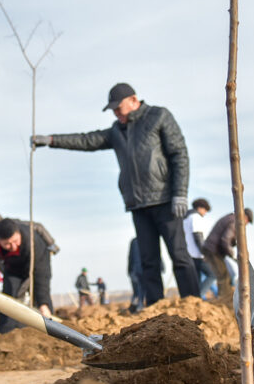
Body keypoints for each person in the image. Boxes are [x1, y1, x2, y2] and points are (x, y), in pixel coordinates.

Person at [32, 83, 200, 303]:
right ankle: (156, 308)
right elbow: (86, 140)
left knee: (179, 255)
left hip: (165, 199)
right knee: (148, 261)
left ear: (133, 100)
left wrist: (180, 193)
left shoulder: (158, 116)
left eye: (118, 108)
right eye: (113, 110)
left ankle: (193, 303)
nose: (116, 113)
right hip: (138, 204)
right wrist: (51, 140)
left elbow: (179, 154)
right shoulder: (116, 131)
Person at [0, 218, 55, 336]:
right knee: (9, 296)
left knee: (42, 302)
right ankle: (4, 334)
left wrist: (43, 304)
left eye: (15, 241)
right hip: (12, 268)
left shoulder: (32, 241)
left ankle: (50, 331)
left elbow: (41, 275)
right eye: (7, 244)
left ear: (18, 233)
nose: (13, 246)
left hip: (38, 262)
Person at [201, 209, 254, 298]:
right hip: (213, 250)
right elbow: (225, 240)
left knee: (226, 274)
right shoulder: (234, 221)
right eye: (247, 222)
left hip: (213, 250)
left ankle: (226, 297)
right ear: (245, 217)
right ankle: (224, 299)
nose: (246, 224)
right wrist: (233, 255)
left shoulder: (231, 218)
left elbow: (228, 239)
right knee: (223, 275)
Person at [183, 198, 216, 299]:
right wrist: (205, 253)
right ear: (200, 208)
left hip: (188, 254)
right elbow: (198, 237)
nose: (205, 213)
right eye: (205, 210)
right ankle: (199, 296)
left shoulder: (185, 219)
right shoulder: (196, 217)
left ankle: (195, 298)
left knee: (196, 279)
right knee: (212, 274)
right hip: (197, 255)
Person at [127, 238, 148, 313]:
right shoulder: (136, 241)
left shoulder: (134, 241)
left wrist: (129, 270)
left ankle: (137, 306)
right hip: (140, 270)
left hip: (137, 269)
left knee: (138, 290)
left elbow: (130, 257)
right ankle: (139, 306)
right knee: (140, 290)